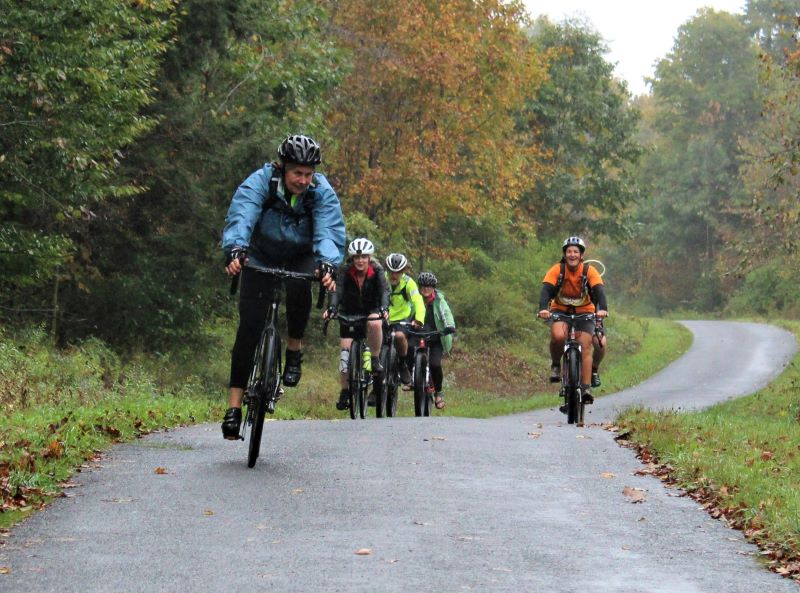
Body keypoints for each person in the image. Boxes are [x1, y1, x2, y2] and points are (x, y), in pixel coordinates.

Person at [220, 134, 346, 439]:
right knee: (249, 329)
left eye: (308, 174)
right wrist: (236, 249)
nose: (303, 180)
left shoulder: (320, 191)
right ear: (283, 168)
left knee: (300, 288)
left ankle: (293, 349)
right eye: (297, 173)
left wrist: (328, 262)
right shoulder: (261, 181)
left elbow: (329, 228)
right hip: (261, 253)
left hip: (301, 255)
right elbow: (243, 213)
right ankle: (234, 408)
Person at [537, 236, 608, 408]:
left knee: (585, 347)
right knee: (558, 336)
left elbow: (599, 291)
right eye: (569, 251)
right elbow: (546, 290)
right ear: (564, 254)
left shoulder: (589, 271)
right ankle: (556, 365)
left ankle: (585, 389)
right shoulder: (557, 270)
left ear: (581, 255)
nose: (572, 254)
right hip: (561, 311)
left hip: (585, 313)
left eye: (576, 251)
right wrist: (543, 308)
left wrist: (603, 309)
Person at [323, 237, 389, 411]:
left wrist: (384, 308)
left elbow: (384, 291)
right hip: (349, 311)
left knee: (375, 324)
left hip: (371, 308)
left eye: (364, 257)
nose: (360, 261)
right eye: (356, 258)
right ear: (352, 259)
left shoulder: (377, 270)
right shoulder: (344, 271)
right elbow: (337, 291)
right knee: (345, 353)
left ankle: (374, 358)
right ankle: (345, 391)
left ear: (369, 258)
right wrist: (332, 308)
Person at [415, 272, 456, 410]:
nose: (426, 289)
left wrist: (449, 326)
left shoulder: (439, 301)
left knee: (435, 364)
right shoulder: (414, 298)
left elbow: (446, 314)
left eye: (429, 286)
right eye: (423, 286)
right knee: (406, 352)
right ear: (419, 287)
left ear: (433, 288)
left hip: (436, 337)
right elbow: (407, 311)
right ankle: (411, 379)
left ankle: (439, 393)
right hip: (417, 334)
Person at [384, 253, 425, 386]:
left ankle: (403, 365)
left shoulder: (409, 283)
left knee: (400, 336)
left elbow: (418, 301)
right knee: (376, 347)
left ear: (403, 271)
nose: (393, 275)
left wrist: (418, 319)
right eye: (391, 271)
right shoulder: (382, 279)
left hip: (402, 319)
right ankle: (376, 387)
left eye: (397, 272)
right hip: (384, 318)